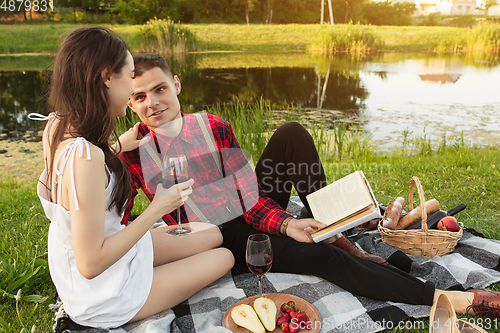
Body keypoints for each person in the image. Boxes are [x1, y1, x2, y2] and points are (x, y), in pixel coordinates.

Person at [119, 53, 500, 319]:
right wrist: (116, 150)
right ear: (130, 102)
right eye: (140, 96)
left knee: (291, 133)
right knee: (322, 258)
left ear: (176, 85)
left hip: (247, 207)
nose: (153, 102)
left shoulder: (214, 126)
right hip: (216, 238)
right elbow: (113, 221)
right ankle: (443, 298)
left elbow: (246, 195)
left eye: (160, 89)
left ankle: (336, 233)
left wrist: (285, 223)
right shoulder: (133, 153)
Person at [33, 28, 234, 330]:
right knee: (225, 257)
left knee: (211, 234)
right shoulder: (86, 158)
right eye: (129, 77)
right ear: (105, 77)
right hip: (105, 293)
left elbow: (80, 191)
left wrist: (117, 147)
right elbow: (90, 265)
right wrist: (158, 209)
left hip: (106, 255)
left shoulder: (58, 126)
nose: (132, 92)